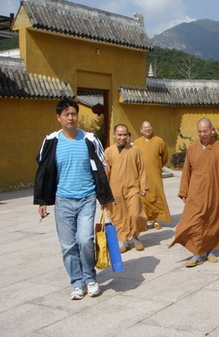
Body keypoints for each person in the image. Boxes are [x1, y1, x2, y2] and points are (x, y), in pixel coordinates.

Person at [33, 97, 113, 300]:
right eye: (66, 114)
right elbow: (43, 170)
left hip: (87, 198)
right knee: (68, 245)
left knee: (85, 240)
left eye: (74, 114)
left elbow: (102, 168)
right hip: (63, 200)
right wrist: (43, 200)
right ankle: (77, 283)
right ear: (59, 117)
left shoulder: (89, 139)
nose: (71, 118)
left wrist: (104, 196)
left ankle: (90, 278)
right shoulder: (51, 141)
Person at [169, 118, 219, 267]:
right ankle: (196, 253)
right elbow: (186, 171)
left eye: (205, 131)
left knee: (212, 222)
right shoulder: (192, 148)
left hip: (214, 192)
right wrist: (184, 191)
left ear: (212, 130)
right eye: (200, 131)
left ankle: (209, 251)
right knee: (192, 222)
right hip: (195, 193)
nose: (202, 134)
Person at [104, 124, 148, 252]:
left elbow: (142, 169)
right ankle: (125, 241)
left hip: (132, 188)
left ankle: (135, 236)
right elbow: (105, 172)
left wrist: (143, 186)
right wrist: (104, 193)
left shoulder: (135, 150)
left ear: (128, 135)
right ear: (114, 135)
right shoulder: (108, 151)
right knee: (119, 217)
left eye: (125, 134)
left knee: (135, 214)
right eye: (119, 134)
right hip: (115, 190)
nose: (122, 137)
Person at [134, 121, 172, 229]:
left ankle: (157, 220)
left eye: (149, 127)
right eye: (144, 127)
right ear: (141, 130)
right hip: (141, 175)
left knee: (157, 195)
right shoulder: (136, 143)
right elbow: (135, 158)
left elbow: (165, 156)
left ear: (152, 128)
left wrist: (158, 166)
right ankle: (144, 220)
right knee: (143, 198)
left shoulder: (159, 141)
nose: (147, 129)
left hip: (155, 173)